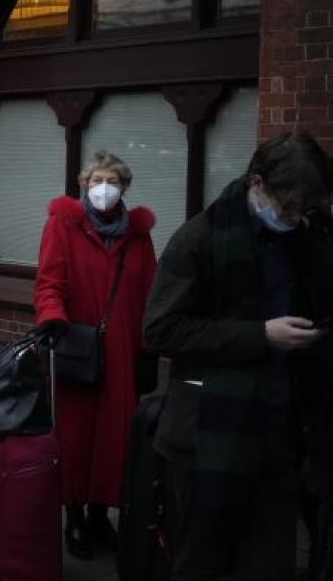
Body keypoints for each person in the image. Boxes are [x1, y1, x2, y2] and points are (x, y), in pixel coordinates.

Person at [144, 132, 333, 581]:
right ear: (256, 183)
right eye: (286, 207)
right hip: (209, 436)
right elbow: (160, 330)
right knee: (203, 564)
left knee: (270, 564)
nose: (292, 218)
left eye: (301, 210)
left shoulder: (303, 238)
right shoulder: (201, 237)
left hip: (280, 432)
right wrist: (260, 335)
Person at [33, 150, 157, 559]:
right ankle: (74, 516)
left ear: (124, 187)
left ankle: (103, 514)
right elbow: (50, 281)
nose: (104, 188)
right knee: (76, 436)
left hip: (121, 352)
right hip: (76, 348)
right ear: (85, 185)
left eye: (113, 181)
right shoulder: (62, 225)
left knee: (114, 437)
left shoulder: (138, 235)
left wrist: (148, 349)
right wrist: (51, 317)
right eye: (97, 180)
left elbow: (149, 293)